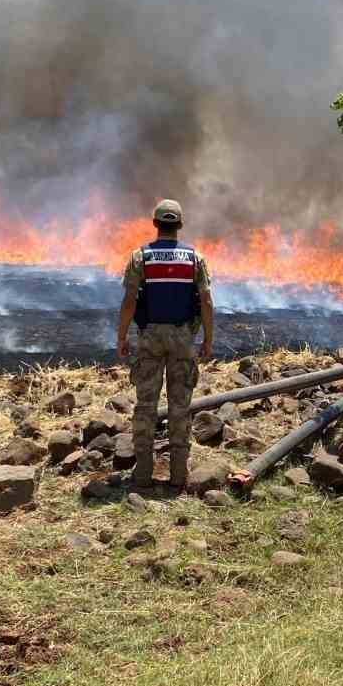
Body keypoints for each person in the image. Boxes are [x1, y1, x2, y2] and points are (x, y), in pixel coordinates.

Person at [117, 198, 214, 490]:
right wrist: (208, 338)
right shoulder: (195, 258)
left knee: (146, 404)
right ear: (180, 225)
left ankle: (144, 474)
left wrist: (121, 336)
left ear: (156, 224)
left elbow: (130, 300)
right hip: (184, 338)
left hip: (150, 338)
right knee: (180, 405)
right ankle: (177, 477)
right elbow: (206, 301)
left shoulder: (140, 258)